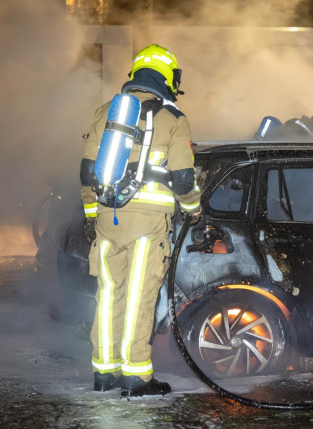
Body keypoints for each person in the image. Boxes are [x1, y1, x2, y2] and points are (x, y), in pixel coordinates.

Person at [79, 44, 200, 396]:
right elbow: (183, 180)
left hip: (108, 219)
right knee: (138, 296)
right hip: (148, 226)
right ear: (168, 78)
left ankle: (105, 373)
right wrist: (193, 208)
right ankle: (136, 376)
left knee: (108, 295)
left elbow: (87, 173)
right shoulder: (173, 119)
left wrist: (92, 215)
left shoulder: (106, 112)